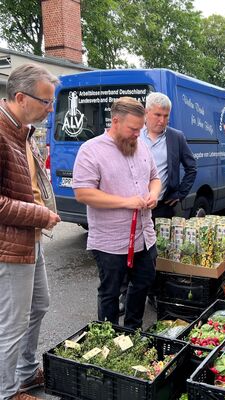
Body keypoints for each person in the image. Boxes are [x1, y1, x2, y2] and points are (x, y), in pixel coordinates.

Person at [72, 97, 161, 330]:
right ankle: (108, 338)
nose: (137, 135)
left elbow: (155, 178)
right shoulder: (91, 150)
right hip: (110, 242)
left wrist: (153, 193)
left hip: (144, 236)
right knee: (110, 293)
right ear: (115, 121)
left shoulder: (140, 146)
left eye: (140, 129)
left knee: (142, 284)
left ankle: (132, 332)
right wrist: (126, 202)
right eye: (133, 129)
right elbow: (83, 193)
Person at [0, 63, 61, 400]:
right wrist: (39, 214)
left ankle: (25, 374)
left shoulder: (22, 130)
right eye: (46, 102)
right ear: (21, 97)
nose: (50, 109)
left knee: (39, 306)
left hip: (30, 240)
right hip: (9, 246)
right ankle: (7, 392)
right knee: (12, 323)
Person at [142, 92, 197, 219]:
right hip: (135, 206)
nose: (162, 121)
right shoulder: (135, 135)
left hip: (163, 207)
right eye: (157, 115)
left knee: (161, 239)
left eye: (166, 116)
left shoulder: (176, 137)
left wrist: (180, 193)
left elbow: (192, 168)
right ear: (146, 112)